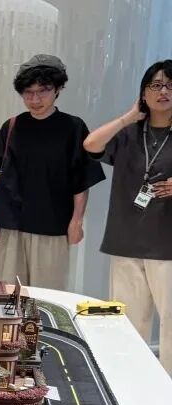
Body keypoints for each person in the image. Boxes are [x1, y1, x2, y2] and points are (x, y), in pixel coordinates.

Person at [0, 55, 105, 288]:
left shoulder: (72, 127)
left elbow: (81, 180)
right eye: (28, 93)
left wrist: (77, 221)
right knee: (10, 295)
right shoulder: (12, 126)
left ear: (58, 89)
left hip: (52, 225)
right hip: (12, 224)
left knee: (47, 295)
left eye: (43, 91)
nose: (35, 99)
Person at [84, 59, 172, 373]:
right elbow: (90, 144)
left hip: (167, 244)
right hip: (126, 240)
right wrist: (128, 117)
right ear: (143, 93)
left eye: (170, 85)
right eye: (156, 85)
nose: (163, 91)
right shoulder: (130, 133)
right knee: (128, 324)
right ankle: (131, 383)